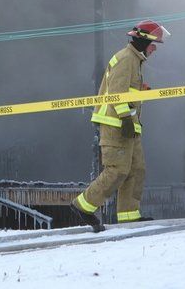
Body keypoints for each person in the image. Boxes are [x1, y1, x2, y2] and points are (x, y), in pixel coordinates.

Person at [70, 20, 170, 232]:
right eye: (154, 44)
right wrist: (125, 119)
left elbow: (125, 90)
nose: (154, 49)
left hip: (130, 126)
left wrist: (139, 93)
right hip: (116, 125)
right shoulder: (126, 59)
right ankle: (83, 205)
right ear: (144, 41)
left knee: (136, 170)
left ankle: (129, 217)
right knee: (117, 170)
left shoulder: (135, 60)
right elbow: (116, 93)